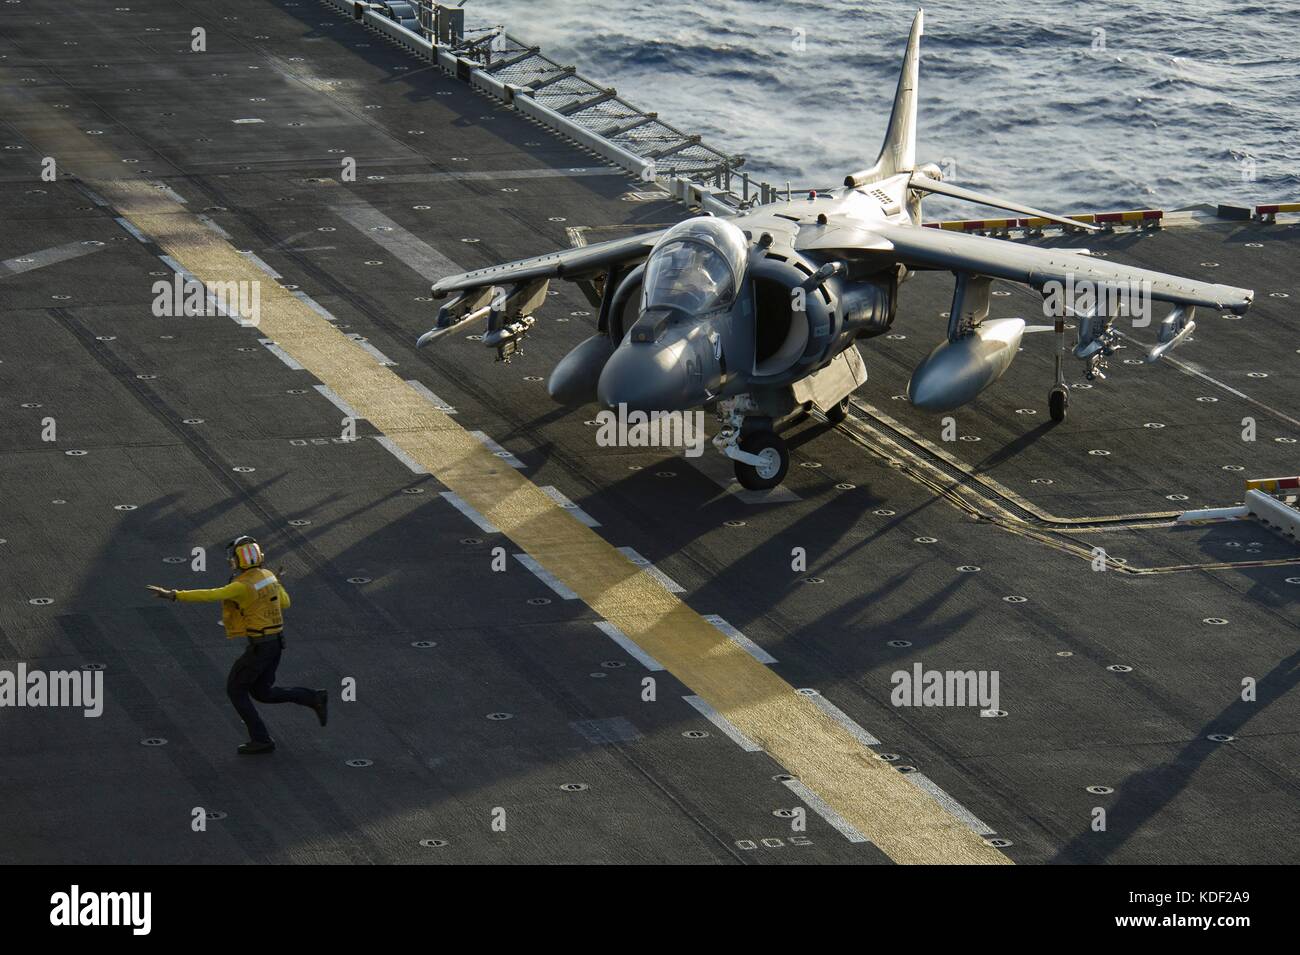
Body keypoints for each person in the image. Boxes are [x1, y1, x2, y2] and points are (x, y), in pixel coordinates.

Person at [148, 536, 327, 755]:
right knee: (262, 692)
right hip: (276, 645)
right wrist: (276, 584)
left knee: (235, 689)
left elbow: (211, 594)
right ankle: (312, 697)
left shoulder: (241, 586)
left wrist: (174, 595)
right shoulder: (269, 577)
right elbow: (285, 603)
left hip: (260, 647)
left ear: (238, 559)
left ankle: (261, 739)